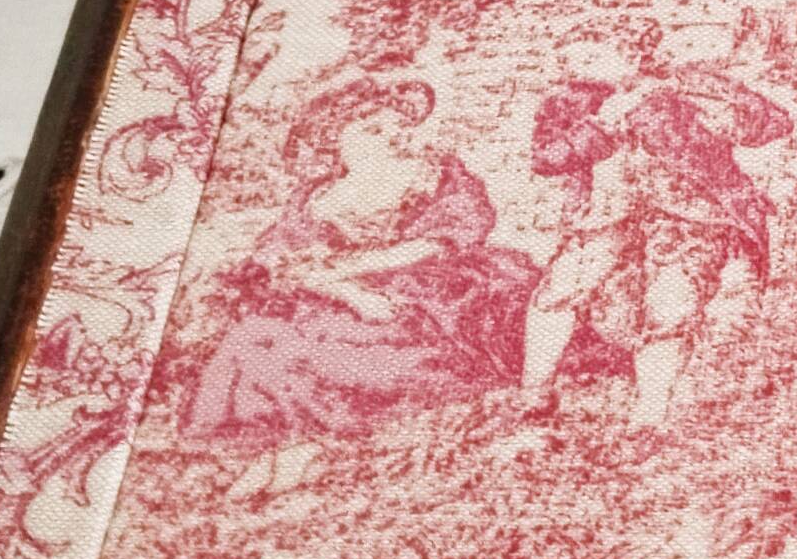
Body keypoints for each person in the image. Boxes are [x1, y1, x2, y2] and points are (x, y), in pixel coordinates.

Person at [178, 77, 538, 462]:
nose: (393, 137)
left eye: (400, 128)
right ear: (336, 140)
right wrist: (349, 290)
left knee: (329, 354)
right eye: (374, 129)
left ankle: (311, 444)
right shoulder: (316, 197)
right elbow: (285, 263)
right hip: (340, 299)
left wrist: (344, 272)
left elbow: (438, 243)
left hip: (427, 297)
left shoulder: (434, 176)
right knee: (256, 336)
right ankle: (261, 440)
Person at [524, 52, 792, 427]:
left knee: (672, 308)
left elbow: (774, 123)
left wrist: (715, 105)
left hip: (691, 216)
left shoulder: (691, 84)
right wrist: (602, 124)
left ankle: (649, 419)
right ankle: (534, 392)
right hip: (608, 214)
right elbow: (545, 159)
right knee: (560, 291)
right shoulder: (571, 100)